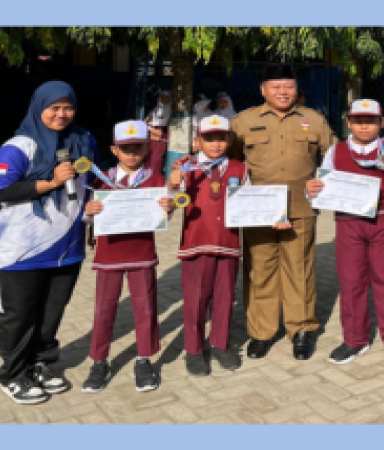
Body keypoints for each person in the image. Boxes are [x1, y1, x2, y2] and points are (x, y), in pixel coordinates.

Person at [0, 81, 96, 405]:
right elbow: (0, 191)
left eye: (68, 107)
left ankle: (40, 364)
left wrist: (93, 215)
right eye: (54, 108)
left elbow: (91, 184)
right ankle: (12, 373)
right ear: (39, 108)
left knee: (51, 313)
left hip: (67, 248)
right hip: (24, 249)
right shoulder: (19, 146)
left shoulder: (85, 140)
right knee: (19, 315)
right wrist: (50, 182)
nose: (61, 115)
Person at [229, 63, 337, 360]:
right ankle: (261, 332)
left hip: (300, 208)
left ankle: (301, 330)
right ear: (263, 90)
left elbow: (335, 157)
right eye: (275, 87)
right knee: (260, 270)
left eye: (288, 86)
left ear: (296, 90)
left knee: (299, 270)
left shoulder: (313, 120)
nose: (282, 92)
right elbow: (231, 163)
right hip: (257, 212)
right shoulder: (243, 122)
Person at [305, 99, 384, 371]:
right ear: (349, 123)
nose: (364, 126)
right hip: (348, 222)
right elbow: (322, 188)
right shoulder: (336, 151)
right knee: (351, 281)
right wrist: (312, 190)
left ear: (382, 123)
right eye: (358, 121)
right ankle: (355, 339)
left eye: (371, 120)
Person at [79, 120, 174, 394]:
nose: (131, 153)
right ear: (114, 150)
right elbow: (87, 218)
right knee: (104, 310)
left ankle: (144, 359)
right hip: (108, 255)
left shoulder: (154, 179)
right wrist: (89, 211)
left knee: (145, 309)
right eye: (125, 148)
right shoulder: (101, 178)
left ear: (146, 149)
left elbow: (164, 214)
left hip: (142, 254)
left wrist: (167, 207)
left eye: (137, 148)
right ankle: (99, 361)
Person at [168, 114, 254, 376]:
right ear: (198, 141)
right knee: (195, 299)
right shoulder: (185, 167)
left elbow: (251, 202)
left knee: (225, 297)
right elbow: (169, 201)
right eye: (209, 139)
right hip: (196, 241)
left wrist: (272, 216)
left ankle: (219, 343)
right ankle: (193, 350)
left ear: (228, 140)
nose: (215, 144)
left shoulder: (240, 168)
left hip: (228, 242)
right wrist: (172, 185)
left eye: (221, 138)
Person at [145, 90, 172, 175]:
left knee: (156, 159)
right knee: (148, 157)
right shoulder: (156, 109)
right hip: (151, 137)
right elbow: (146, 121)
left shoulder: (170, 109)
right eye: (162, 97)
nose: (164, 99)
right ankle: (146, 177)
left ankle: (154, 177)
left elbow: (165, 122)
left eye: (166, 97)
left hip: (161, 138)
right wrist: (149, 126)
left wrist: (151, 123)